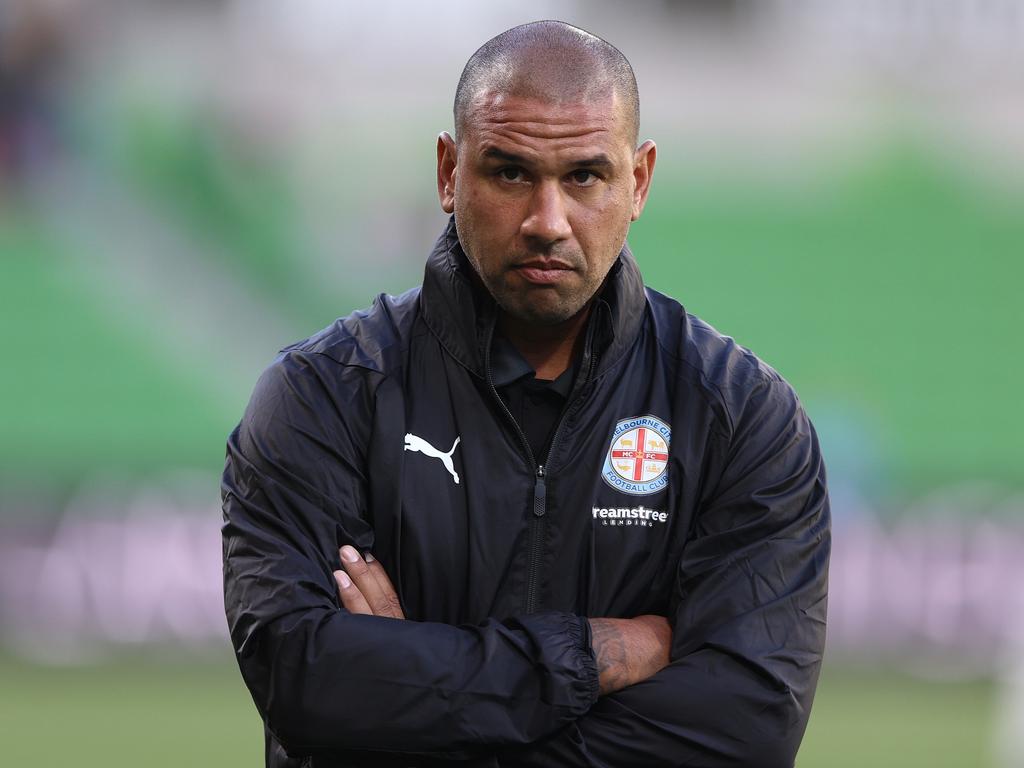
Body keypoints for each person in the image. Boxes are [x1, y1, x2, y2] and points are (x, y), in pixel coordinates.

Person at [222, 20, 830, 768]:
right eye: (510, 173)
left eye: (584, 177)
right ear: (449, 173)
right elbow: (306, 681)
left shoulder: (740, 418)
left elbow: (746, 727)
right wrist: (594, 654)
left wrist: (408, 701)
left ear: (637, 182)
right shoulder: (323, 398)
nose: (547, 221)